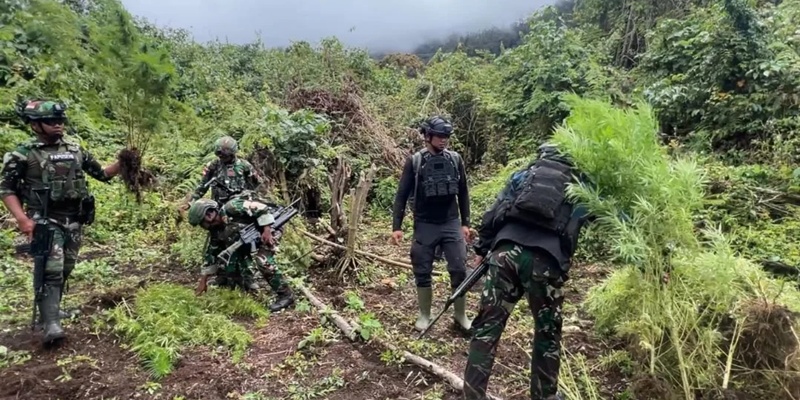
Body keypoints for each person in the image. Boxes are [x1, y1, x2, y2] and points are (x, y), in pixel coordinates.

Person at [463, 143, 593, 400]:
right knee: (547, 334)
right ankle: (544, 397)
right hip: (544, 263)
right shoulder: (581, 187)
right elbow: (607, 217)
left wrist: (481, 249)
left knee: (487, 328)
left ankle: (473, 395)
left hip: (503, 256)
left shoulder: (523, 176)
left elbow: (492, 214)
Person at [0, 99, 121, 345]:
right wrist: (22, 219)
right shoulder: (23, 154)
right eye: (51, 122)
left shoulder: (75, 149)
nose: (58, 126)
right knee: (50, 270)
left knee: (66, 267)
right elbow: (6, 189)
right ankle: (51, 323)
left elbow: (102, 173)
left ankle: (53, 310)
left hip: (74, 219)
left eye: (60, 121)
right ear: (35, 125)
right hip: (44, 220)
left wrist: (125, 161)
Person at [390, 115, 472, 333]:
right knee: (422, 268)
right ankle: (425, 314)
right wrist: (396, 227)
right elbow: (401, 195)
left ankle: (460, 315)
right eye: (439, 136)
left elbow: (463, 192)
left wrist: (466, 223)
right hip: (425, 223)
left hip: (450, 222)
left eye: (446, 136)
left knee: (459, 268)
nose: (443, 140)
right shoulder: (415, 162)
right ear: (427, 136)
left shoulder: (455, 160)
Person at [187, 196, 295, 312]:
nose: (202, 227)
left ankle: (286, 295)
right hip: (248, 238)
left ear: (209, 215)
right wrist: (203, 281)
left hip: (269, 227)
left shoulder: (232, 207)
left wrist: (267, 230)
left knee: (262, 261)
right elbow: (211, 254)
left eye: (201, 223)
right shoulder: (216, 230)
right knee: (231, 256)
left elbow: (262, 209)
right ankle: (244, 282)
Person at [182, 135, 263, 289]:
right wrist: (192, 202)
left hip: (238, 212)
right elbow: (202, 185)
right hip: (216, 213)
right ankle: (222, 276)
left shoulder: (244, 166)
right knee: (217, 243)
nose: (222, 157)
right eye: (220, 154)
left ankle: (248, 278)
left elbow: (256, 185)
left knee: (241, 243)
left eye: (225, 154)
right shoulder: (213, 166)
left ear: (233, 153)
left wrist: (249, 199)